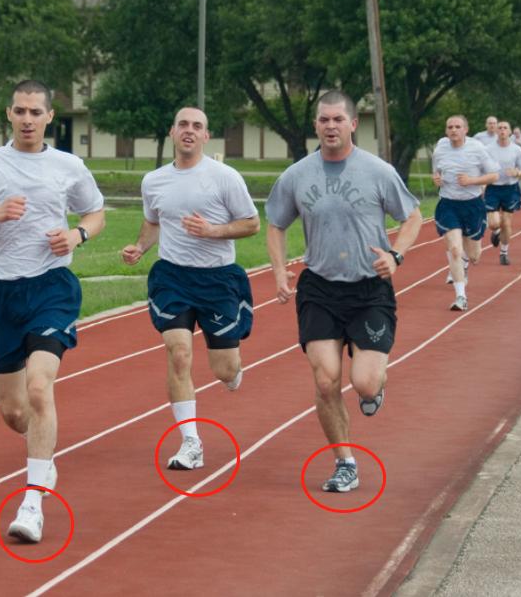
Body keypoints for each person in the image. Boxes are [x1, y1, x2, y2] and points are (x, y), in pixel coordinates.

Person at [0, 80, 106, 544]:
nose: (28, 119)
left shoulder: (68, 166)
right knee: (15, 413)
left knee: (40, 387)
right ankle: (43, 459)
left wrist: (77, 236)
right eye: (20, 111)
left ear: (50, 117)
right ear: (9, 115)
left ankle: (32, 502)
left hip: (51, 288)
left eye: (36, 111)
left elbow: (96, 213)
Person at [265, 90, 422, 494]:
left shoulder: (377, 171)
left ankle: (375, 387)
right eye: (323, 120)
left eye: (338, 119)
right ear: (316, 125)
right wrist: (280, 271)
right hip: (319, 287)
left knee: (365, 383)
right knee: (325, 381)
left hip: (369, 288)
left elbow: (413, 216)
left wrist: (397, 255)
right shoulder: (297, 175)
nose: (330, 126)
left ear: (353, 124)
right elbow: (276, 223)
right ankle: (345, 463)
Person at [120, 107, 259, 471]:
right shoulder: (154, 181)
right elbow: (154, 221)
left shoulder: (224, 177)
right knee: (178, 352)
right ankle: (191, 441)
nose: (189, 131)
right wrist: (139, 247)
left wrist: (214, 231)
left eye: (197, 126)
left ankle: (233, 369)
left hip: (217, 279)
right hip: (173, 278)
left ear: (206, 136)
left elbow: (251, 224)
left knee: (224, 370)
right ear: (172, 131)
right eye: (183, 124)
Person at [432, 116, 500, 309]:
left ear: (466, 130)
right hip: (448, 204)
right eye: (450, 127)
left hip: (473, 205)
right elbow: (436, 173)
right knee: (454, 248)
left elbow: (494, 175)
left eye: (458, 127)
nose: (453, 130)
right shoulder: (440, 149)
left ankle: (465, 263)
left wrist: (471, 181)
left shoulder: (477, 148)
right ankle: (461, 296)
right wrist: (436, 179)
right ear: (446, 131)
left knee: (474, 256)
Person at [484, 121, 521, 266]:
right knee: (494, 223)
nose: (502, 130)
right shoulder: (488, 149)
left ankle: (504, 253)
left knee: (507, 223)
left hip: (511, 188)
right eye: (500, 128)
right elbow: (482, 168)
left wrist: (517, 172)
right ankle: (495, 232)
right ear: (496, 130)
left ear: (510, 132)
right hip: (493, 188)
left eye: (505, 128)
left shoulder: (517, 150)